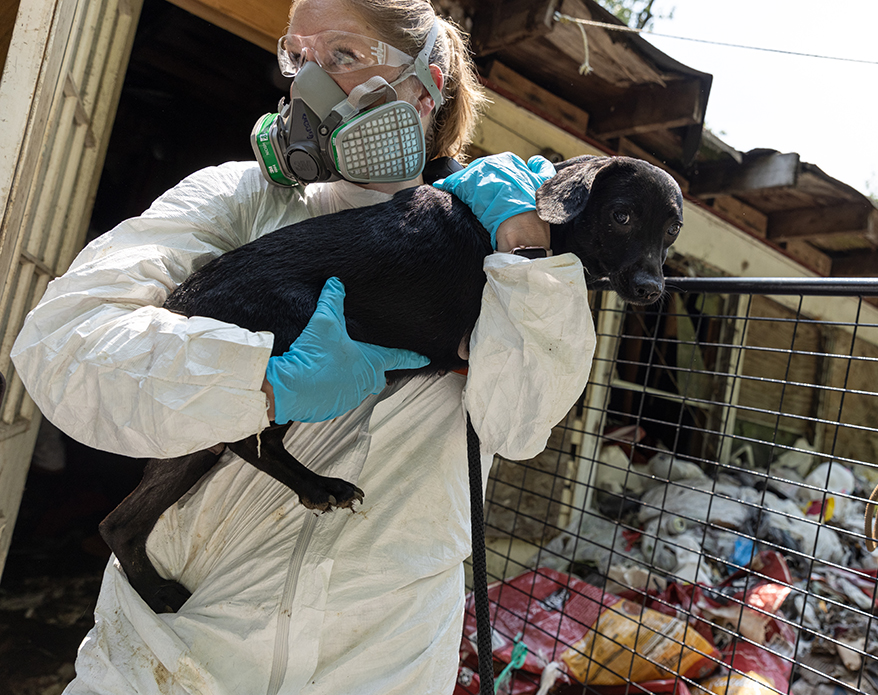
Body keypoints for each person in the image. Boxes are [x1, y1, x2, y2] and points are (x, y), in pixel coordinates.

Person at [10, 0, 596, 692]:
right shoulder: (239, 202)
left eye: (343, 56)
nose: (307, 87)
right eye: (298, 58)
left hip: (381, 666)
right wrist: (262, 384)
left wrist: (528, 253)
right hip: (172, 661)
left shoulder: (489, 241)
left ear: (424, 85)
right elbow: (60, 349)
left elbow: (522, 420)